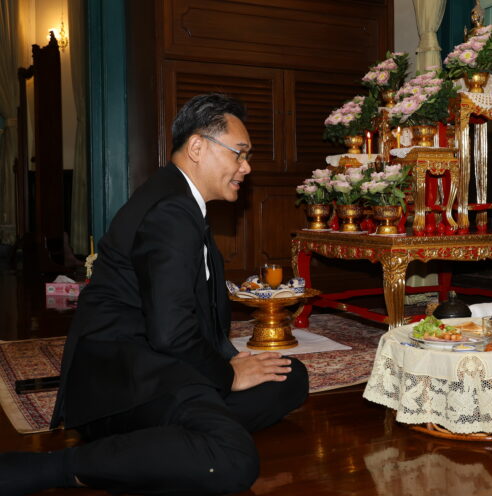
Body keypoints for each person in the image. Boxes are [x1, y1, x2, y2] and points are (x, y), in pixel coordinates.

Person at [0, 93, 308, 495]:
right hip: (128, 380)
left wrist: (227, 362)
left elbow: (188, 311)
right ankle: (59, 466)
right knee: (231, 459)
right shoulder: (171, 210)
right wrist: (227, 374)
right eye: (240, 153)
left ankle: (159, 441)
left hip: (158, 360)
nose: (246, 167)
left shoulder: (178, 198)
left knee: (290, 378)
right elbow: (171, 332)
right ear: (197, 148)